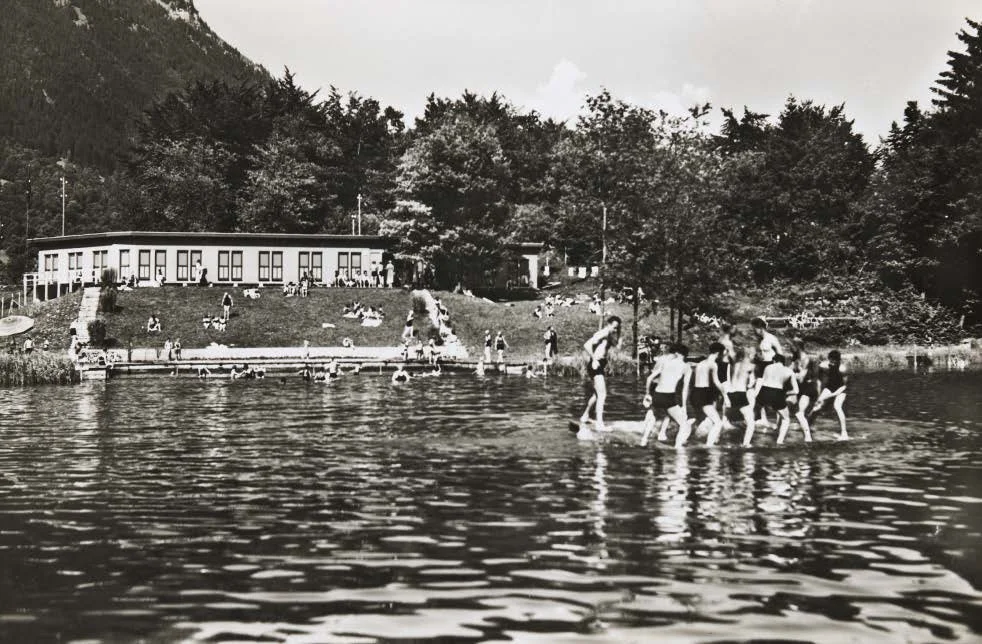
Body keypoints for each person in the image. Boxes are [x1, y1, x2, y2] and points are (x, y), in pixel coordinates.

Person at [639, 343, 693, 448]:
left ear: (677, 353)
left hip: (657, 395)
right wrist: (684, 407)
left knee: (653, 418)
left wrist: (647, 394)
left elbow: (649, 378)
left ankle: (643, 440)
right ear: (685, 355)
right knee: (684, 425)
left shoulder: (666, 363)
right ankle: (677, 448)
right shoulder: (686, 367)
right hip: (669, 397)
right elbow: (684, 389)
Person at [753, 355, 811, 445]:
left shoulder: (768, 367)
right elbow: (796, 390)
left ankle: (748, 440)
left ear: (774, 361)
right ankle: (779, 442)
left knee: (753, 416)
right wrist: (785, 393)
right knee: (786, 419)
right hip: (778, 393)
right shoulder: (789, 371)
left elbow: (762, 381)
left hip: (763, 392)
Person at [579, 315, 622, 434]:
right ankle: (599, 424)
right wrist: (594, 359)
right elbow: (587, 344)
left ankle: (585, 416)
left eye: (617, 328)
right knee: (602, 394)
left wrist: (618, 336)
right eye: (614, 327)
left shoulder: (608, 335)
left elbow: (616, 347)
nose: (615, 330)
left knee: (597, 394)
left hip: (599, 365)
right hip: (595, 365)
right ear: (608, 324)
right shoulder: (603, 333)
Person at [691, 342, 730, 446]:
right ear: (718, 353)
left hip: (694, 392)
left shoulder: (701, 363)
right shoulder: (713, 364)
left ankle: (692, 439)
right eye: (721, 354)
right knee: (718, 422)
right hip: (703, 393)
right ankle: (709, 446)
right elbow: (716, 382)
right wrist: (726, 396)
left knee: (700, 419)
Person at [751, 317, 784, 427]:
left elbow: (780, 354)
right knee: (757, 394)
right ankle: (763, 419)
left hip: (772, 367)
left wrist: (780, 370)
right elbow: (761, 355)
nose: (754, 331)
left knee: (774, 395)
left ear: (760, 328)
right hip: (762, 368)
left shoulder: (772, 338)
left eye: (754, 329)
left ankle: (780, 421)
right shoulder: (760, 340)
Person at [809, 349, 849, 440]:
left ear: (839, 360)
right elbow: (819, 380)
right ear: (828, 359)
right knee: (817, 406)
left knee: (837, 406)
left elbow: (844, 386)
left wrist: (829, 396)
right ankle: (808, 425)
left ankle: (844, 433)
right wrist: (819, 395)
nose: (832, 364)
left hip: (841, 389)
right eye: (831, 361)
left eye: (835, 362)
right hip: (829, 387)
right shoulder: (823, 366)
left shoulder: (843, 369)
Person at [727, 348, 758, 447]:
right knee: (751, 422)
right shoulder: (751, 366)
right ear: (749, 355)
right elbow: (751, 383)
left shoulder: (736, 365)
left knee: (733, 419)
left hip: (731, 393)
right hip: (740, 393)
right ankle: (746, 444)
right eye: (753, 354)